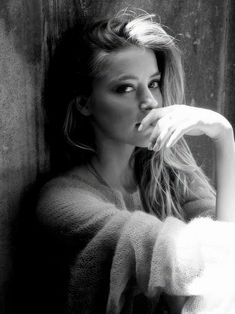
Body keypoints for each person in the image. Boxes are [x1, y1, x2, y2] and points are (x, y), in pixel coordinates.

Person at [36, 10, 235, 314]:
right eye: (125, 88)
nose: (150, 102)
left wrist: (222, 136)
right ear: (84, 103)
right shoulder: (62, 202)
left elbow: (227, 258)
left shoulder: (169, 173)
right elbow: (207, 261)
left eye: (153, 83)